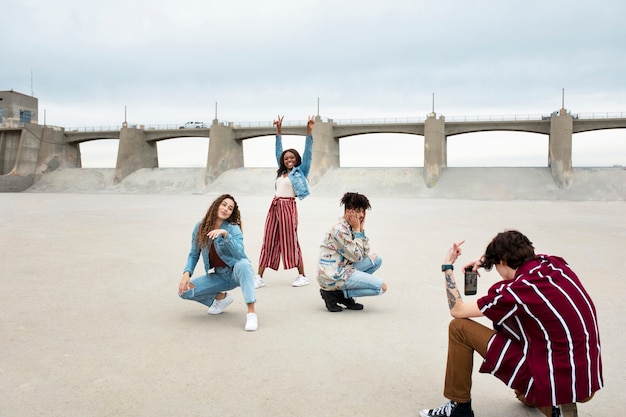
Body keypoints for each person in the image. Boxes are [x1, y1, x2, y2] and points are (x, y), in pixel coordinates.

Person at [420, 230, 603, 417]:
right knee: (527, 320)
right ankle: (552, 404)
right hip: (586, 380)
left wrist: (447, 266)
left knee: (459, 328)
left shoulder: (515, 291)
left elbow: (457, 310)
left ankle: (458, 407)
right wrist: (485, 261)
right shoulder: (555, 263)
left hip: (556, 379)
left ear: (502, 261)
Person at [178, 194, 258, 332]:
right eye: (224, 204)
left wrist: (225, 235)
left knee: (244, 264)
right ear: (216, 205)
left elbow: (240, 253)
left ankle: (251, 313)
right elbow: (193, 253)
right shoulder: (200, 227)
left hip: (235, 273)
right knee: (183, 291)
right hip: (219, 276)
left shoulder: (233, 228)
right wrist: (186, 273)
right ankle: (222, 298)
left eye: (230, 208)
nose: (226, 209)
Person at [254, 114, 314, 289]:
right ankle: (259, 276)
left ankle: (302, 276)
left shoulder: (300, 171)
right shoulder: (281, 172)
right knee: (268, 239)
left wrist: (309, 131)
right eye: (286, 159)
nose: (289, 160)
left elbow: (308, 153)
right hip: (274, 206)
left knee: (290, 241)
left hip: (288, 207)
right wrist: (278, 130)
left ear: (296, 160)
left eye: (292, 158)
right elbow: (278, 150)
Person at [316, 192, 388, 312]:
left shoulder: (350, 227)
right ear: (349, 211)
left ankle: (341, 294)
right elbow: (358, 257)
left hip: (343, 267)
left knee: (376, 260)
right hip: (333, 276)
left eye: (363, 212)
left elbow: (365, 252)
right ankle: (340, 294)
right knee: (381, 287)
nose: (361, 215)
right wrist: (357, 230)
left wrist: (360, 229)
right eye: (358, 211)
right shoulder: (339, 230)